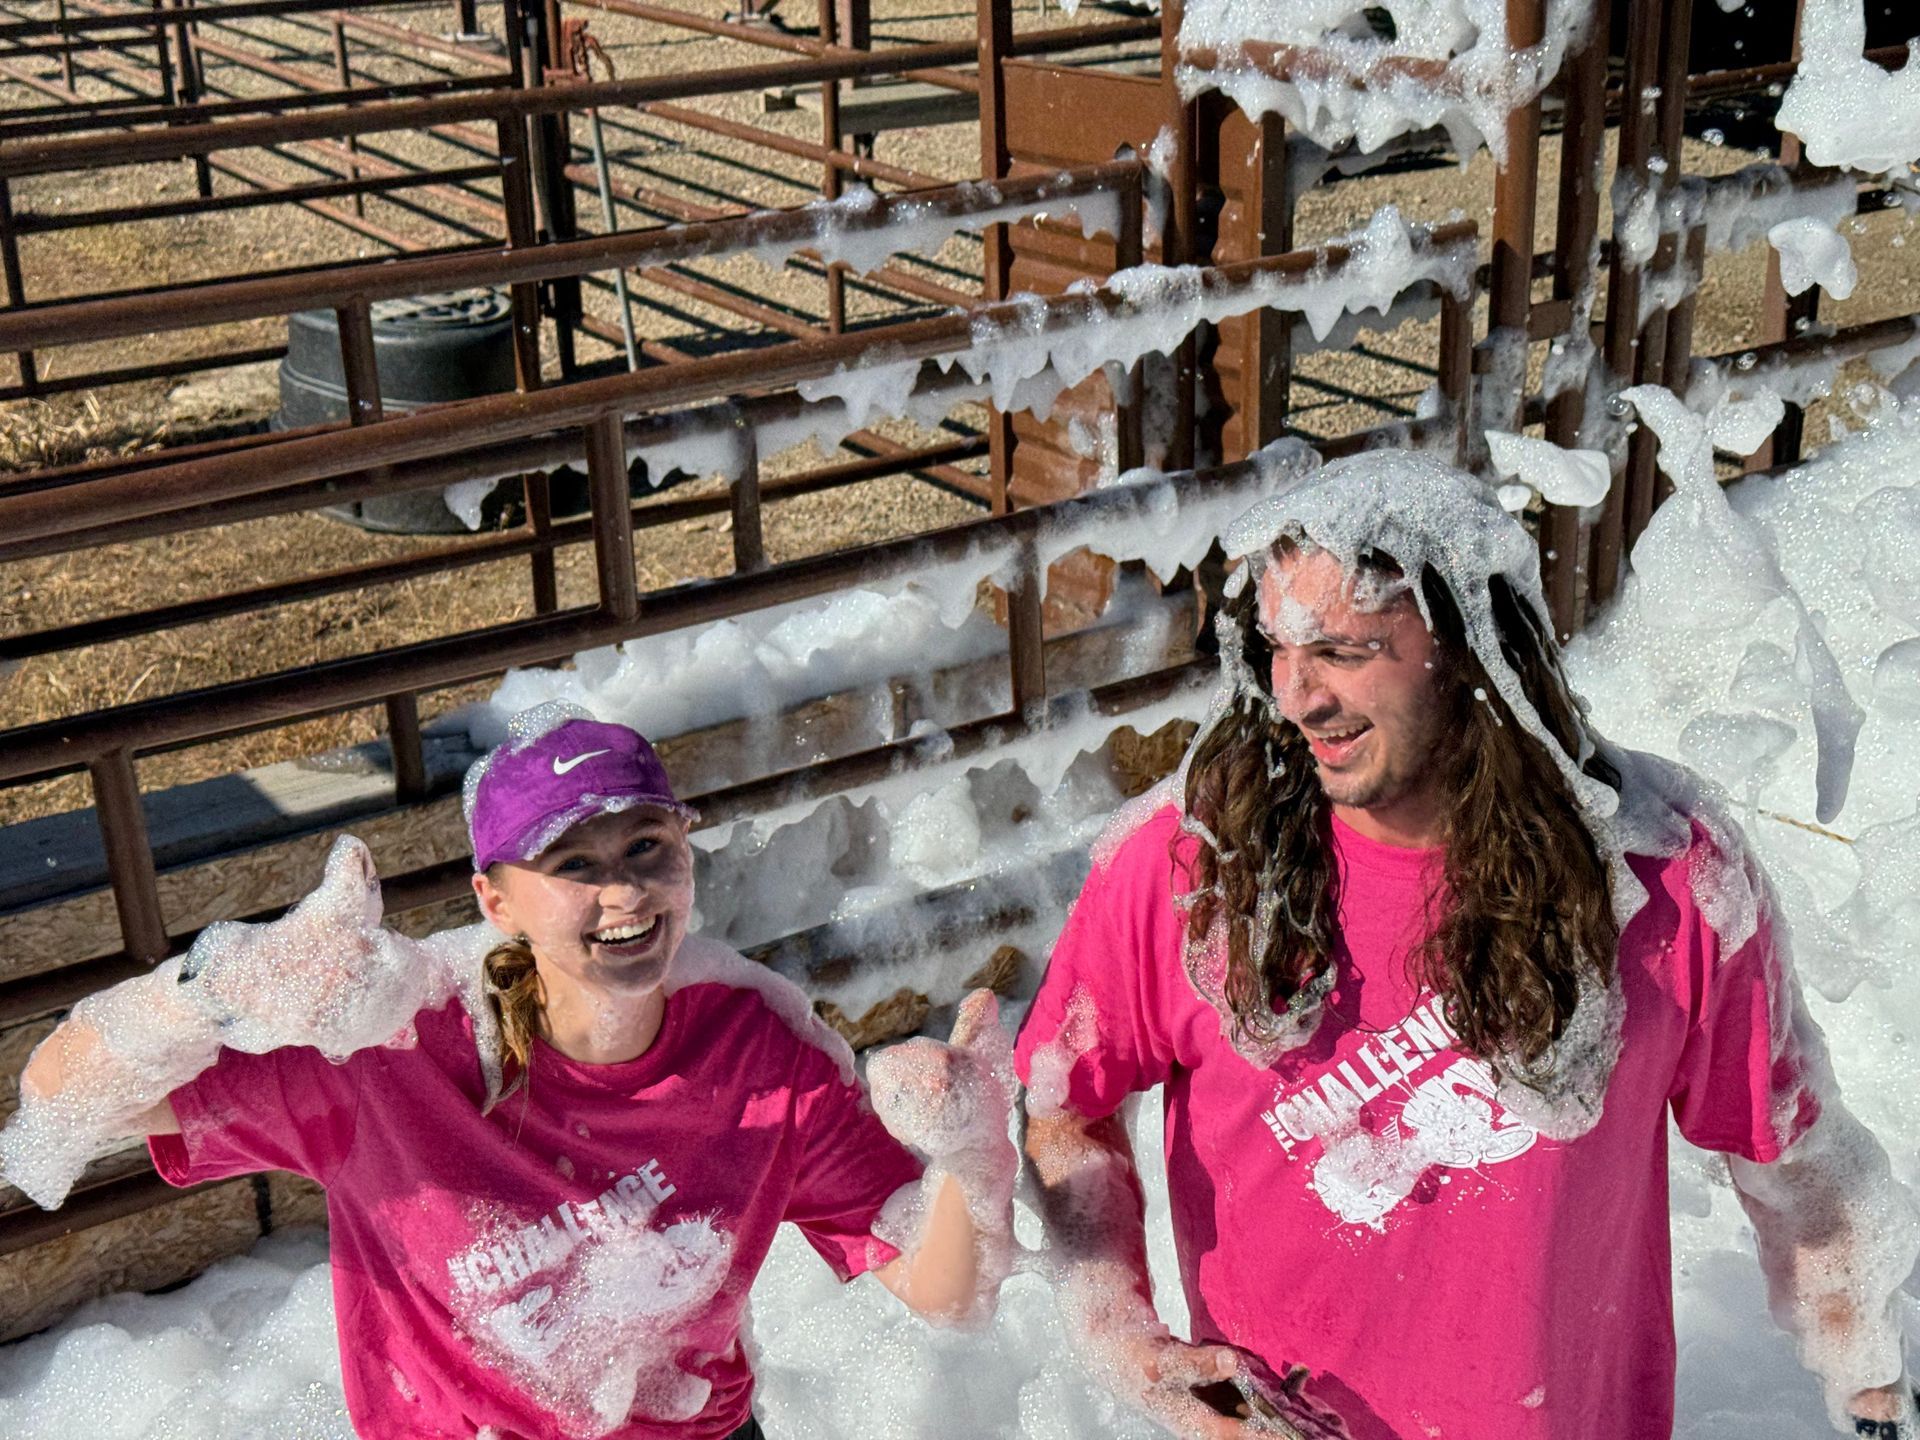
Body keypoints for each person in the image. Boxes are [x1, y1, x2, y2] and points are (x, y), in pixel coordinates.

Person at [1012, 451, 1919, 1440]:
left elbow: (1794, 1163)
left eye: (1346, 650)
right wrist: (1124, 1343)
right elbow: (1063, 1110)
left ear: (1472, 648)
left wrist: (1868, 1385)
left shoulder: (1660, 872)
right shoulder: (1195, 868)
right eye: (1278, 647)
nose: (1299, 695)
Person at [1, 705, 1017, 1440]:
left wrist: (975, 1161)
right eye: (574, 865)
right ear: (496, 901)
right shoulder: (389, 1051)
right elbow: (59, 1102)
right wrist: (211, 985)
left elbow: (942, 1291)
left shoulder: (763, 1055)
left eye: (647, 846)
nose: (625, 892)